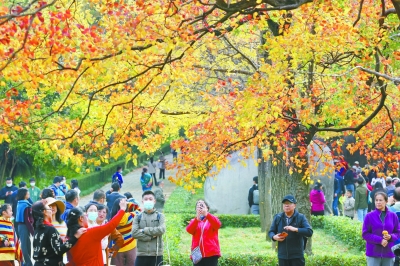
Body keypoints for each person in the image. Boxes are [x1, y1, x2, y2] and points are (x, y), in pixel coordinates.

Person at [66, 199, 127, 265]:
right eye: (85, 216)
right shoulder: (91, 233)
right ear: (81, 218)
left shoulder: (69, 237)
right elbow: (111, 225)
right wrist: (122, 210)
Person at [32, 200, 86, 266]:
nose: (51, 209)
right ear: (44, 212)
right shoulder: (50, 229)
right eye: (49, 208)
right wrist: (75, 237)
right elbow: (59, 250)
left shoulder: (37, 229)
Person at [268, 195, 313, 266]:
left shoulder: (300, 217)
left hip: (297, 256)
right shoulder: (278, 217)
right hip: (282, 256)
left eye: (289, 203)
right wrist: (274, 237)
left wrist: (296, 229)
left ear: (294, 205)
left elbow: (309, 232)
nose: (286, 205)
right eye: (285, 204)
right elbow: (271, 232)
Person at [362, 192, 400, 266]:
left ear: (386, 201)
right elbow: (365, 234)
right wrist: (380, 240)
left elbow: (398, 232)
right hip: (373, 253)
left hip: (388, 252)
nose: (378, 202)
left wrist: (391, 236)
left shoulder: (393, 216)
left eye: (380, 200)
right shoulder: (369, 216)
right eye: (376, 200)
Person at [132, 191, 166, 266]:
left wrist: (145, 230)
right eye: (146, 199)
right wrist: (150, 237)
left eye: (150, 199)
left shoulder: (160, 216)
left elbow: (162, 229)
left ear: (154, 201)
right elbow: (134, 233)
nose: (148, 201)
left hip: (156, 254)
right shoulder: (138, 217)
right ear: (142, 201)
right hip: (141, 254)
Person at [186, 199, 221, 266]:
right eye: (198, 206)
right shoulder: (194, 221)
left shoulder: (212, 219)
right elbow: (189, 230)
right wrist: (197, 219)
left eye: (202, 205)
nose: (200, 208)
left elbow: (217, 225)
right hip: (197, 254)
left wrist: (206, 214)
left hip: (211, 254)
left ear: (207, 208)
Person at [110, 199, 141, 266]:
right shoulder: (130, 216)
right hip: (131, 248)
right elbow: (139, 210)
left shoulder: (112, 220)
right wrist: (129, 203)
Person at [15, 188, 34, 266]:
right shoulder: (25, 205)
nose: (28, 194)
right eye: (27, 193)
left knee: (27, 243)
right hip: (24, 226)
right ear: (24, 194)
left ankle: (28, 261)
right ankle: (27, 261)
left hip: (22, 226)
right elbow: (27, 220)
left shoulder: (20, 203)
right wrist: (33, 232)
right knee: (24, 244)